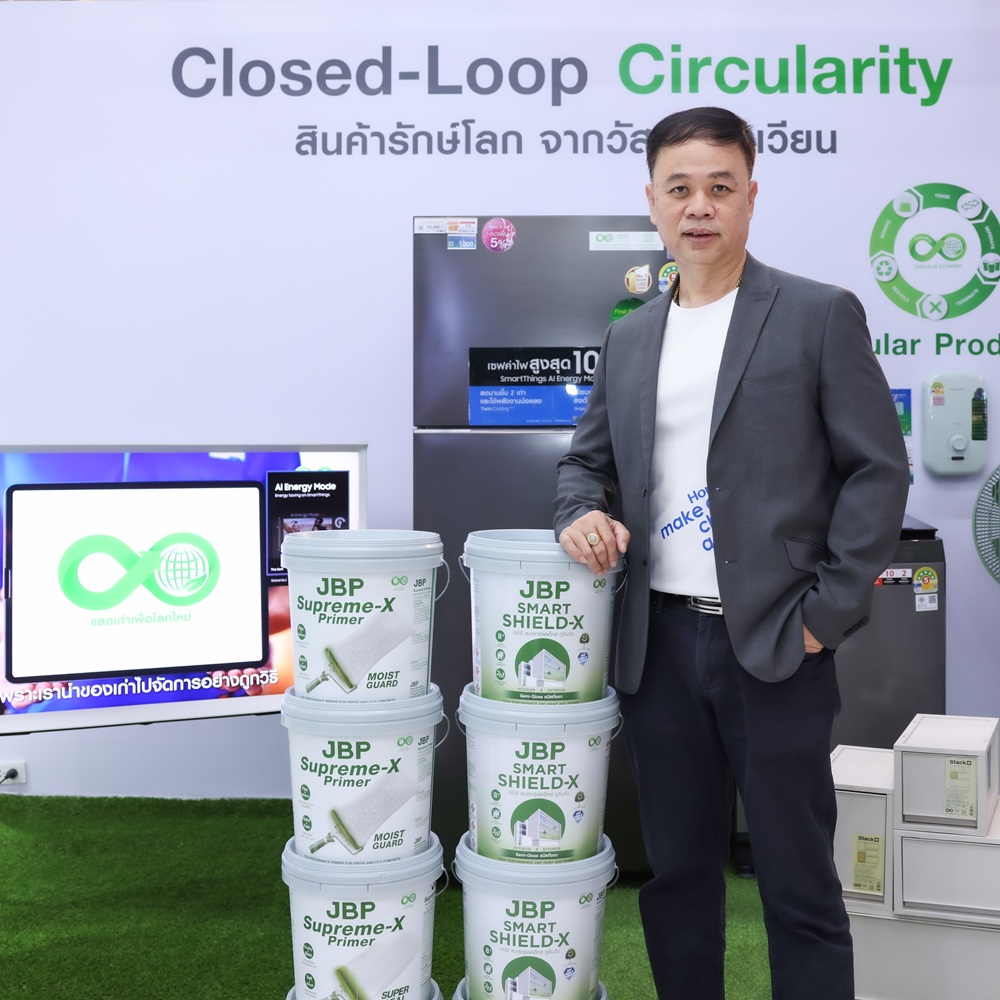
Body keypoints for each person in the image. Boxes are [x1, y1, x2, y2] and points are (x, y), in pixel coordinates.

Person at [554, 106, 910, 999]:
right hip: (659, 647)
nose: (700, 206)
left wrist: (828, 614)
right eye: (680, 189)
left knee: (797, 882)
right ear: (652, 201)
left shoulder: (818, 314)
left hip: (779, 642)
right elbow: (585, 464)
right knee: (677, 877)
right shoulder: (631, 335)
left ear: (752, 195)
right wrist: (578, 512)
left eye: (721, 186)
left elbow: (878, 471)